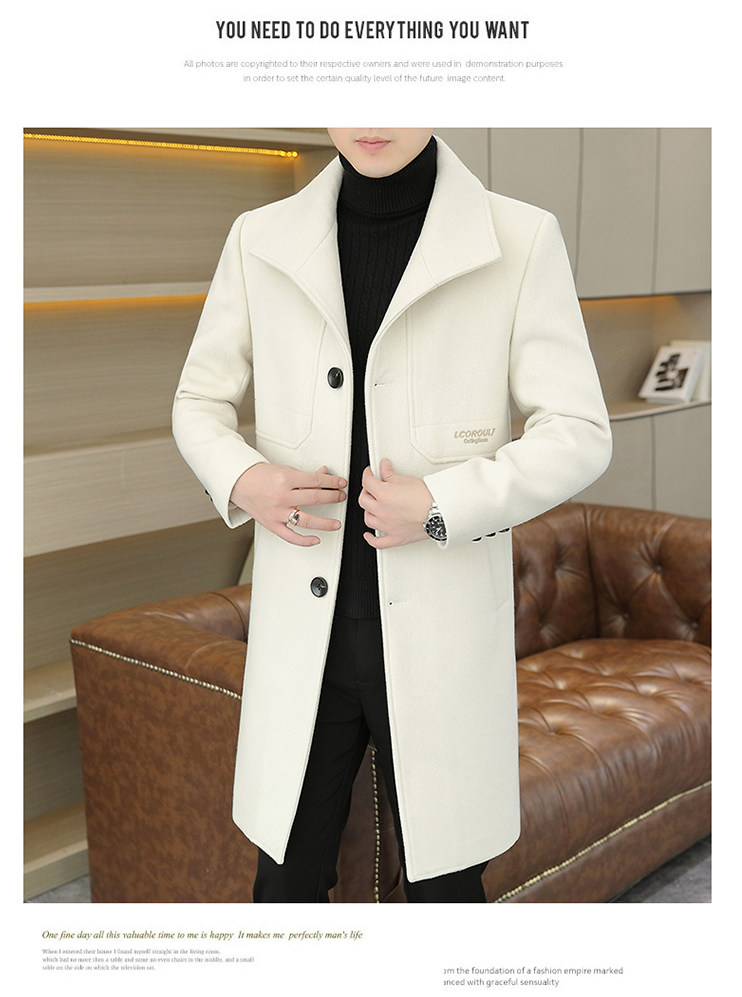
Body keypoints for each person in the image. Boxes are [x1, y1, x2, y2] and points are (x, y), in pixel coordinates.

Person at [172, 129, 612, 902]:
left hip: (440, 632)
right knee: (284, 885)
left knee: (446, 891)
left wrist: (443, 505)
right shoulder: (258, 239)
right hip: (304, 637)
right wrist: (245, 479)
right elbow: (198, 401)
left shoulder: (520, 236)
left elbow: (578, 433)